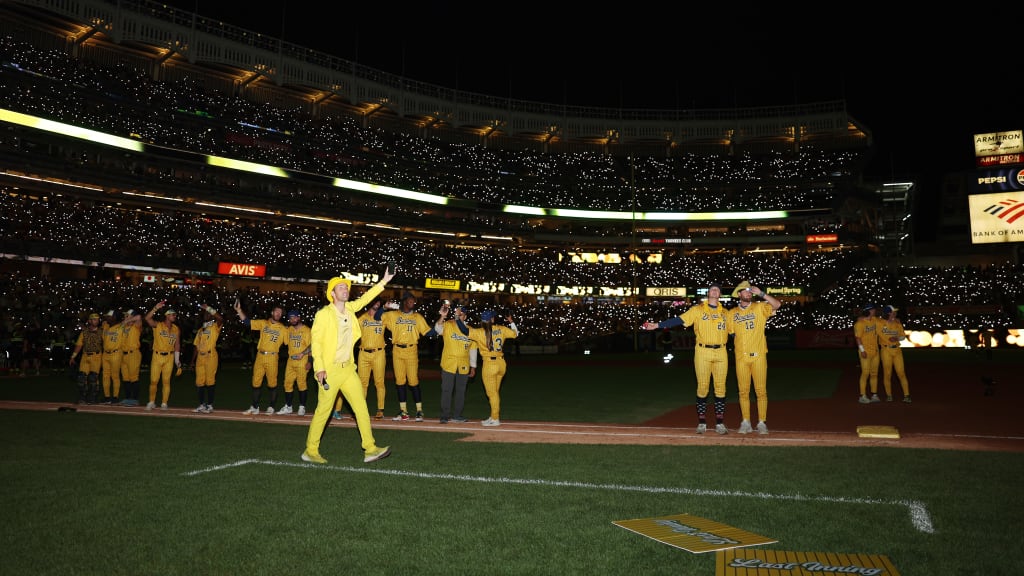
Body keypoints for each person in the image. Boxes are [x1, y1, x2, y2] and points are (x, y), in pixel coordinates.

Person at [301, 272, 395, 465]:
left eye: (346, 286)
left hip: (347, 370)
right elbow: (316, 343)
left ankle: (370, 449)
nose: (346, 289)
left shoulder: (351, 309)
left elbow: (367, 298)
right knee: (323, 411)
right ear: (332, 293)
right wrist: (319, 368)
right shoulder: (324, 314)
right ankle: (310, 450)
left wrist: (384, 281)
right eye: (341, 287)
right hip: (329, 371)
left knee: (361, 407)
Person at [642, 282, 732, 434]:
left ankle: (720, 423)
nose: (715, 291)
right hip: (703, 351)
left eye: (717, 289)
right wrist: (657, 325)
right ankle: (702, 423)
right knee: (703, 387)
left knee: (720, 388)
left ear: (720, 294)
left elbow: (734, 332)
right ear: (708, 293)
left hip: (721, 352)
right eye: (712, 289)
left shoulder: (726, 313)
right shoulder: (697, 310)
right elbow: (679, 320)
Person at [727, 281, 781, 435]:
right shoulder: (732, 313)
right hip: (741, 357)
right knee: (743, 392)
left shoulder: (759, 307)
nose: (749, 294)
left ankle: (762, 422)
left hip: (758, 356)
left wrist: (762, 293)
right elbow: (731, 333)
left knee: (761, 391)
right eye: (746, 291)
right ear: (739, 294)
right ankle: (745, 422)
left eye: (750, 292)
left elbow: (777, 305)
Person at [456, 309, 518, 427]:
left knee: (492, 394)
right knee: (495, 392)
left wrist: (457, 318)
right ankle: (493, 416)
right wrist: (511, 321)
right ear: (492, 319)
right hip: (501, 364)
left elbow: (464, 330)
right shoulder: (501, 329)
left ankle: (495, 418)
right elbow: (515, 334)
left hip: (490, 365)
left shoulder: (479, 332)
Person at [380, 291, 436, 422]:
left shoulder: (417, 317)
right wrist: (384, 307)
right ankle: (404, 411)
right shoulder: (393, 315)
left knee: (413, 381)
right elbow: (377, 317)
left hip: (411, 350)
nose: (413, 302)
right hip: (397, 350)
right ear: (404, 301)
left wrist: (439, 323)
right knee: (399, 381)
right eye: (410, 300)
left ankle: (419, 411)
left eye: (413, 300)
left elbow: (428, 332)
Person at [337, 297, 388, 420]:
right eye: (374, 301)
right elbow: (349, 331)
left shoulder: (384, 317)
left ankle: (380, 409)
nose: (376, 304)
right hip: (363, 353)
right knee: (362, 383)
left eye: (378, 302)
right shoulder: (362, 318)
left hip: (379, 352)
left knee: (379, 382)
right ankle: (360, 409)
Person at [235, 303, 285, 415]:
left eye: (280, 313)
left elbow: (290, 342)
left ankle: (271, 407)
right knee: (256, 382)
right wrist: (239, 310)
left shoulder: (283, 329)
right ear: (272, 312)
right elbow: (247, 322)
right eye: (276, 311)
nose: (278, 314)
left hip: (272, 357)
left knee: (272, 383)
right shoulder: (263, 323)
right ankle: (255, 406)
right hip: (260, 356)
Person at [435, 300, 477, 424]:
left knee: (461, 391)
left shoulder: (470, 330)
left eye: (462, 314)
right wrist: (442, 316)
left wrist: (473, 366)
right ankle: (445, 415)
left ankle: (457, 415)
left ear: (465, 316)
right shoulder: (448, 324)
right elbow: (437, 329)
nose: (460, 316)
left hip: (463, 365)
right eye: (458, 314)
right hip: (449, 363)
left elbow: (473, 349)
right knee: (447, 390)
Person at [144, 301, 181, 411]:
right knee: (154, 380)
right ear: (167, 315)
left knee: (166, 381)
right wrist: (155, 308)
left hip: (169, 357)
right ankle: (151, 401)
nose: (175, 316)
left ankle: (164, 403)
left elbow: (177, 344)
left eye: (175, 315)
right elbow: (147, 319)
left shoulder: (176, 328)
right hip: (157, 356)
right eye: (173, 314)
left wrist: (177, 360)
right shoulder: (158, 325)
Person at [190, 303, 224, 413]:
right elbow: (196, 346)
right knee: (199, 382)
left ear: (211, 315)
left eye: (208, 313)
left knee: (210, 381)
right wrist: (192, 361)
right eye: (205, 314)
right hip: (200, 357)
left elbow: (220, 318)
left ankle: (210, 405)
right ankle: (201, 404)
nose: (206, 315)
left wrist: (209, 308)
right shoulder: (200, 330)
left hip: (211, 355)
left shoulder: (215, 326)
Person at [279, 309, 312, 416]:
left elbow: (312, 346)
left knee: (301, 384)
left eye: (294, 317)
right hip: (290, 360)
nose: (292, 319)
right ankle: (288, 406)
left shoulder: (306, 330)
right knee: (287, 383)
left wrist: (309, 360)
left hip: (302, 360)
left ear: (299, 317)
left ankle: (302, 407)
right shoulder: (290, 330)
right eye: (290, 318)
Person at [878, 305, 912, 403]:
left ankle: (907, 395)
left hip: (897, 350)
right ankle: (889, 395)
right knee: (887, 374)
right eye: (893, 311)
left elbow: (903, 336)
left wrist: (896, 338)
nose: (895, 313)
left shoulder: (897, 323)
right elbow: (868, 318)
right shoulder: (879, 322)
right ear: (888, 313)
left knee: (901, 373)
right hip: (885, 350)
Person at [69, 312, 104, 404]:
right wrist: (73, 357)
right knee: (81, 378)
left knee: (93, 378)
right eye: (94, 319)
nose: (96, 321)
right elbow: (79, 345)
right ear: (89, 321)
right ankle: (82, 397)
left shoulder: (102, 331)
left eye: (97, 319)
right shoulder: (84, 332)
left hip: (96, 356)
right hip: (85, 356)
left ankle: (93, 397)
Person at [854, 303, 882, 404]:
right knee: (865, 373)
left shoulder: (874, 320)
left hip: (875, 351)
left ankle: (874, 394)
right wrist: (862, 350)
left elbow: (885, 321)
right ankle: (862, 396)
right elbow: (858, 338)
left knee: (874, 373)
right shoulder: (860, 323)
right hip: (865, 352)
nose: (875, 311)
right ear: (869, 310)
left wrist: (896, 320)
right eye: (873, 309)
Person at [118, 309, 143, 406]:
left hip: (133, 353)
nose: (125, 317)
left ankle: (135, 399)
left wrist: (128, 320)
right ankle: (128, 398)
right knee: (125, 378)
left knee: (134, 377)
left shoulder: (136, 326)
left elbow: (139, 317)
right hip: (124, 354)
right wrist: (126, 322)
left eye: (127, 315)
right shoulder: (125, 326)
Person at [100, 309, 125, 404]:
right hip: (105, 353)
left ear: (114, 317)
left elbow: (134, 319)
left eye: (109, 316)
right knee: (105, 376)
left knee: (115, 376)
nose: (106, 318)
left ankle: (115, 397)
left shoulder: (121, 326)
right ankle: (107, 397)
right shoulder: (105, 325)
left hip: (116, 353)